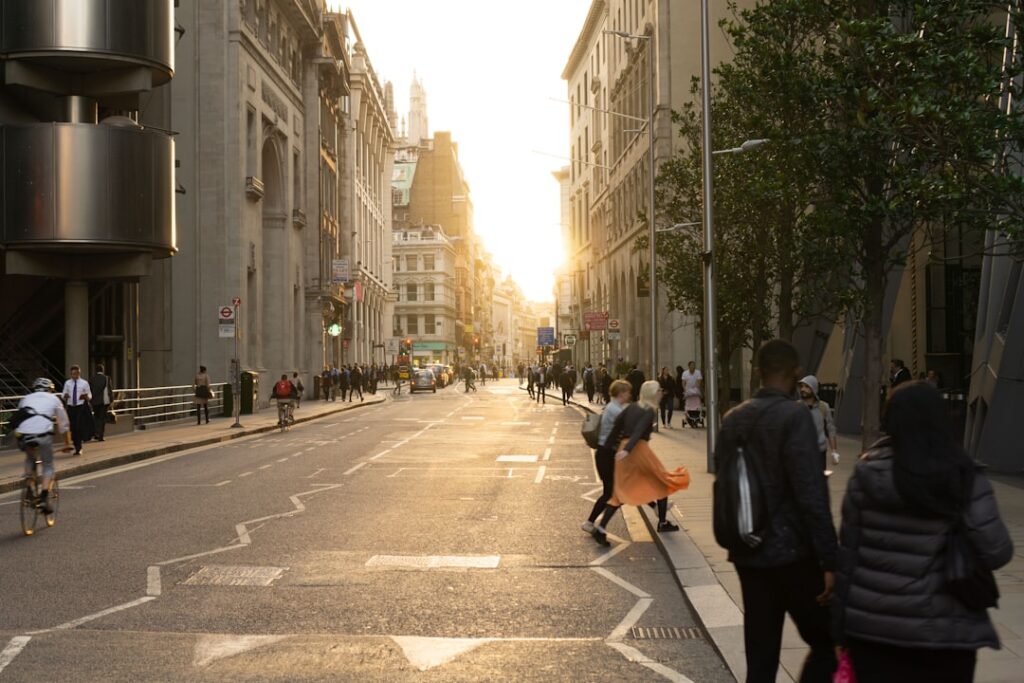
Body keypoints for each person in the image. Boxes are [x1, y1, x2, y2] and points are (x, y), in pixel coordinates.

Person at [834, 381, 1013, 683]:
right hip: (946, 635)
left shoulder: (866, 475)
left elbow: (847, 557)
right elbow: (997, 551)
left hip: (875, 632)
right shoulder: (964, 474)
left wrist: (838, 627)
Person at [715, 339, 838, 683]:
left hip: (747, 551)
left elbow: (722, 481)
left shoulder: (733, 419)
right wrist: (830, 560)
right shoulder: (795, 416)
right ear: (795, 373)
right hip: (793, 554)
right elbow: (811, 493)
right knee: (828, 640)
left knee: (761, 655)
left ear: (758, 372)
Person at [590, 380, 689, 546]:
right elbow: (638, 430)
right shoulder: (648, 410)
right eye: (658, 390)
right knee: (661, 481)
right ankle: (662, 521)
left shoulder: (632, 406)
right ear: (651, 393)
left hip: (624, 448)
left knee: (620, 492)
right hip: (638, 449)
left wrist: (607, 449)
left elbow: (616, 428)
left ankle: (600, 529)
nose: (661, 393)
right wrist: (628, 449)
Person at [14, 378, 72, 514]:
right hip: (43, 434)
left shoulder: (25, 398)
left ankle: (29, 483)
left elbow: (19, 417)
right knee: (47, 465)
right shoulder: (53, 399)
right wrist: (67, 444)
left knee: (30, 458)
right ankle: (44, 499)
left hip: (24, 434)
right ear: (50, 389)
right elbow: (64, 424)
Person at [583, 380, 631, 538]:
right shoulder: (615, 410)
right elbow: (626, 429)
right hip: (606, 455)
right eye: (627, 392)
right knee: (610, 492)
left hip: (606, 454)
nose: (629, 395)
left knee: (612, 491)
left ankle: (593, 523)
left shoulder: (612, 407)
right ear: (621, 393)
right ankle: (592, 523)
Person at [798, 375, 839, 475]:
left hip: (819, 451)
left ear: (814, 389)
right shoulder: (796, 406)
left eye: (807, 387)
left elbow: (830, 429)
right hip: (801, 451)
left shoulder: (823, 407)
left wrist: (834, 452)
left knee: (819, 480)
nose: (803, 389)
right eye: (802, 386)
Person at [62, 364, 93, 455]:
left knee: (78, 426)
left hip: (81, 407)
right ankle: (76, 445)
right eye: (72, 374)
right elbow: (63, 394)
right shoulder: (67, 383)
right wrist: (65, 396)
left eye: (76, 374)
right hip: (71, 407)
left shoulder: (84, 383)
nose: (74, 376)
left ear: (79, 373)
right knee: (73, 428)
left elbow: (90, 395)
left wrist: (86, 397)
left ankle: (79, 447)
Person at [90, 363, 114, 442]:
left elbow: (90, 390)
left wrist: (91, 400)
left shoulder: (92, 378)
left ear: (96, 370)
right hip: (104, 402)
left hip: (95, 401)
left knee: (96, 417)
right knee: (102, 418)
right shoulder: (107, 378)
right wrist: (111, 400)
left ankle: (96, 434)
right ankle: (101, 436)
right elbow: (110, 390)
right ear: (102, 370)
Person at [681, 361, 704, 428]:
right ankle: (687, 417)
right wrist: (686, 390)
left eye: (694, 365)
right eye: (691, 365)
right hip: (688, 390)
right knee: (688, 403)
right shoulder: (685, 373)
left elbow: (698, 382)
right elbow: (683, 383)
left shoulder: (698, 372)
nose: (692, 367)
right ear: (689, 366)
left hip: (696, 390)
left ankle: (698, 416)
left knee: (697, 400)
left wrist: (695, 389)